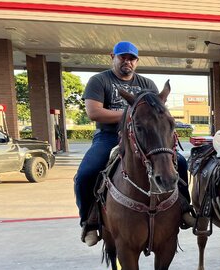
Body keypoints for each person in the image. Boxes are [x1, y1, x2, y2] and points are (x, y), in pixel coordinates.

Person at [74, 41, 195, 246]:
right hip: (109, 136)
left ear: (137, 62)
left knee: (180, 163)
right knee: (86, 174)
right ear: (113, 57)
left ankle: (184, 207)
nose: (127, 61)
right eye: (123, 57)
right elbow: (94, 112)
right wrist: (130, 114)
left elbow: (157, 113)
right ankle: (90, 221)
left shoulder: (147, 84)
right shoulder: (99, 81)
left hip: (143, 137)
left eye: (132, 58)